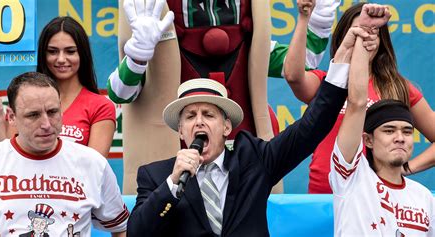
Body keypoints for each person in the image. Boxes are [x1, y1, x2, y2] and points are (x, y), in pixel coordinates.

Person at [125, 23, 374, 233]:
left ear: (226, 126)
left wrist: (343, 55)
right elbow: (137, 231)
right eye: (190, 116)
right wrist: (172, 183)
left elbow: (313, 126)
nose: (199, 121)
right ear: (180, 130)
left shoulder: (254, 160)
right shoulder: (157, 176)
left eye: (208, 114)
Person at [108, 0, 340, 194]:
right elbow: (121, 93)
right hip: (176, 171)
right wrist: (137, 56)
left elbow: (301, 64)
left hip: (242, 174)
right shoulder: (154, 34)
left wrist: (318, 20)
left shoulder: (251, 46)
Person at [283, 1, 435, 193]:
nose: (365, 37)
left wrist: (405, 168)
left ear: (381, 41)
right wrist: (304, 18)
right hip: (325, 198)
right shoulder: (326, 83)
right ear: (343, 38)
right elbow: (293, 76)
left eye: (372, 32)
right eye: (358, 31)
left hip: (378, 199)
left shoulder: (398, 87)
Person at [0, 72, 128, 236]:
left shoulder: (93, 163)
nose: (46, 124)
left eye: (52, 112)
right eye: (33, 115)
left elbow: (120, 227)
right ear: (12, 117)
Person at [330, 9, 434, 234]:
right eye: (388, 130)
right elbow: (357, 103)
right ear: (367, 140)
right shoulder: (349, 179)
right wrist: (364, 35)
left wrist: (408, 168)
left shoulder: (424, 197)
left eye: (407, 131)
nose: (399, 138)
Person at [0, 16, 116, 157]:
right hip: (26, 179)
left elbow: (95, 169)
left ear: (82, 54)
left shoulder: (100, 106)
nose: (61, 59)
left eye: (70, 51)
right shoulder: (24, 99)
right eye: (52, 51)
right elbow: (7, 160)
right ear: (43, 55)